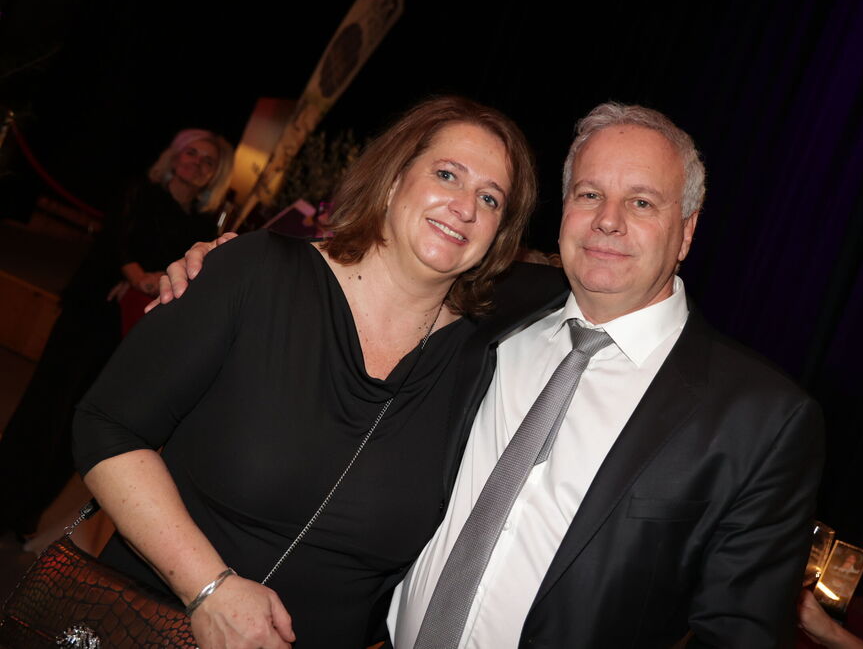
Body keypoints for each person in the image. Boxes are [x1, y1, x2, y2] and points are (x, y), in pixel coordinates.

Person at [161, 102, 824, 647]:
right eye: (589, 194)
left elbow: (738, 635)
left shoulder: (759, 417)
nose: (608, 221)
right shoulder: (492, 307)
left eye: (643, 202)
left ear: (687, 231)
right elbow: (379, 271)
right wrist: (240, 265)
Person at [72, 96, 537, 649]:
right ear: (394, 178)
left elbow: (599, 270)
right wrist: (208, 590)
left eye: (490, 198)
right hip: (155, 625)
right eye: (447, 174)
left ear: (499, 232)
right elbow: (107, 426)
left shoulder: (483, 359)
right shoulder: (256, 272)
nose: (464, 207)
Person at [0, 128, 232, 538]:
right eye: (191, 153)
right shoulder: (139, 193)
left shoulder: (201, 225)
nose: (196, 163)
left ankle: (26, 514)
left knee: (85, 421)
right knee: (46, 407)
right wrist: (139, 277)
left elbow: (190, 277)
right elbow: (118, 244)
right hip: (93, 314)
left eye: (207, 161)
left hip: (135, 333)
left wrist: (147, 282)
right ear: (174, 155)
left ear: (215, 175)